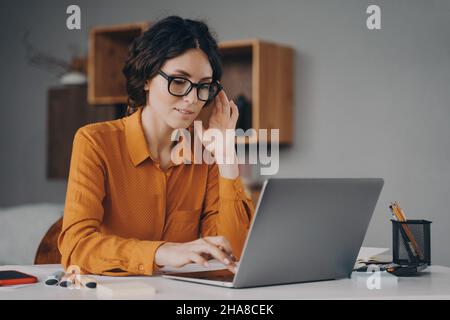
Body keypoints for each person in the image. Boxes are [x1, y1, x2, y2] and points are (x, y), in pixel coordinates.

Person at [57, 16, 255, 276]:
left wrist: (227, 155)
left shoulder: (206, 155)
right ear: (147, 79)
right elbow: (77, 246)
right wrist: (163, 252)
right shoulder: (95, 142)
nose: (192, 99)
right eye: (179, 81)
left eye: (203, 86)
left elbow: (231, 258)